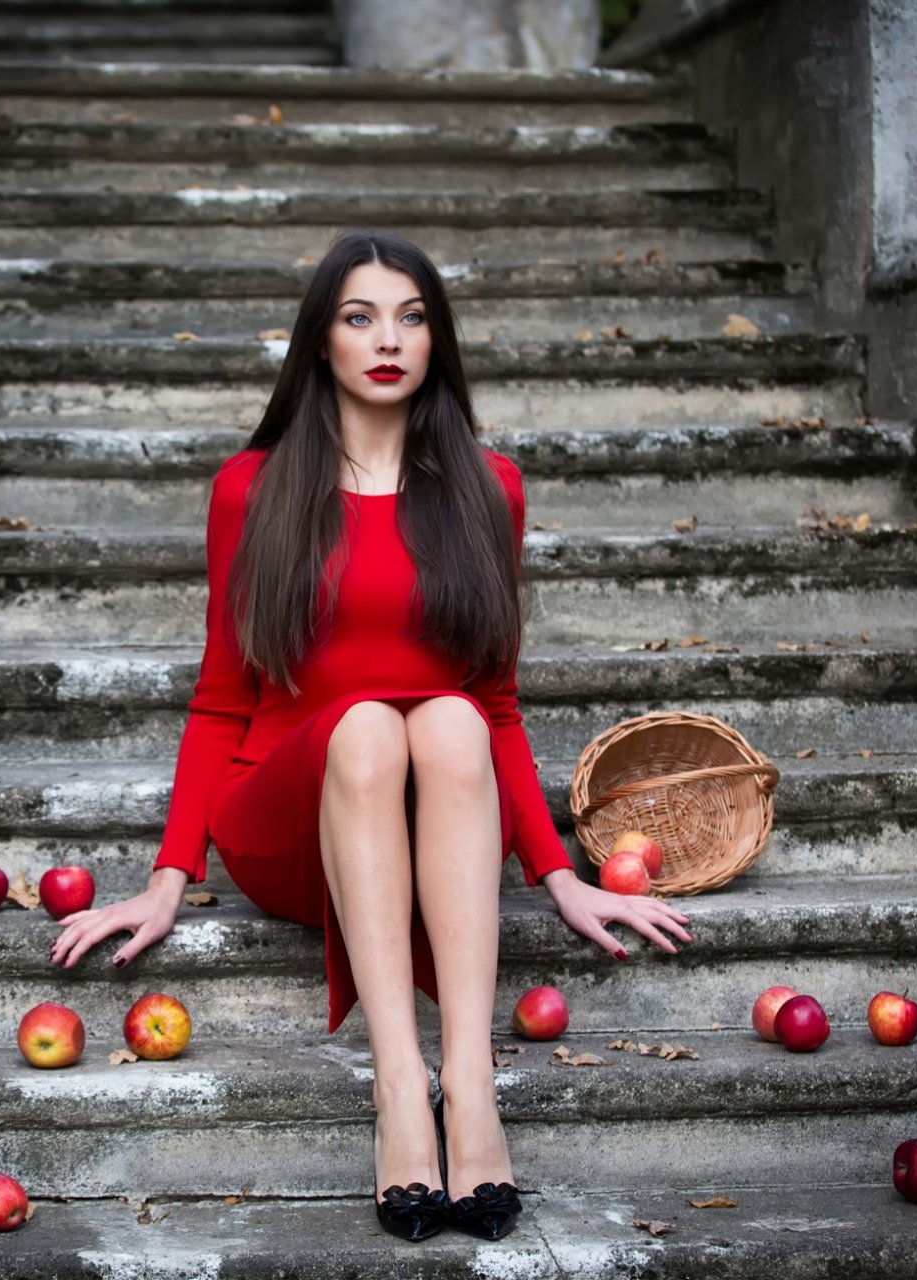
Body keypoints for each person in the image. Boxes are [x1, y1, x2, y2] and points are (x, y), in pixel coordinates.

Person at [47, 229, 694, 1242]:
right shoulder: (250, 490)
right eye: (359, 317)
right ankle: (402, 1083)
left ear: (436, 341)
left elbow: (499, 703)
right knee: (361, 726)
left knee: (443, 712)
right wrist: (170, 874)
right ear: (322, 342)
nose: (387, 338)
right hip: (288, 816)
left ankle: (469, 1084)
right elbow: (222, 698)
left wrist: (556, 869)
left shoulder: (489, 488)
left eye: (411, 316)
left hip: (431, 808)